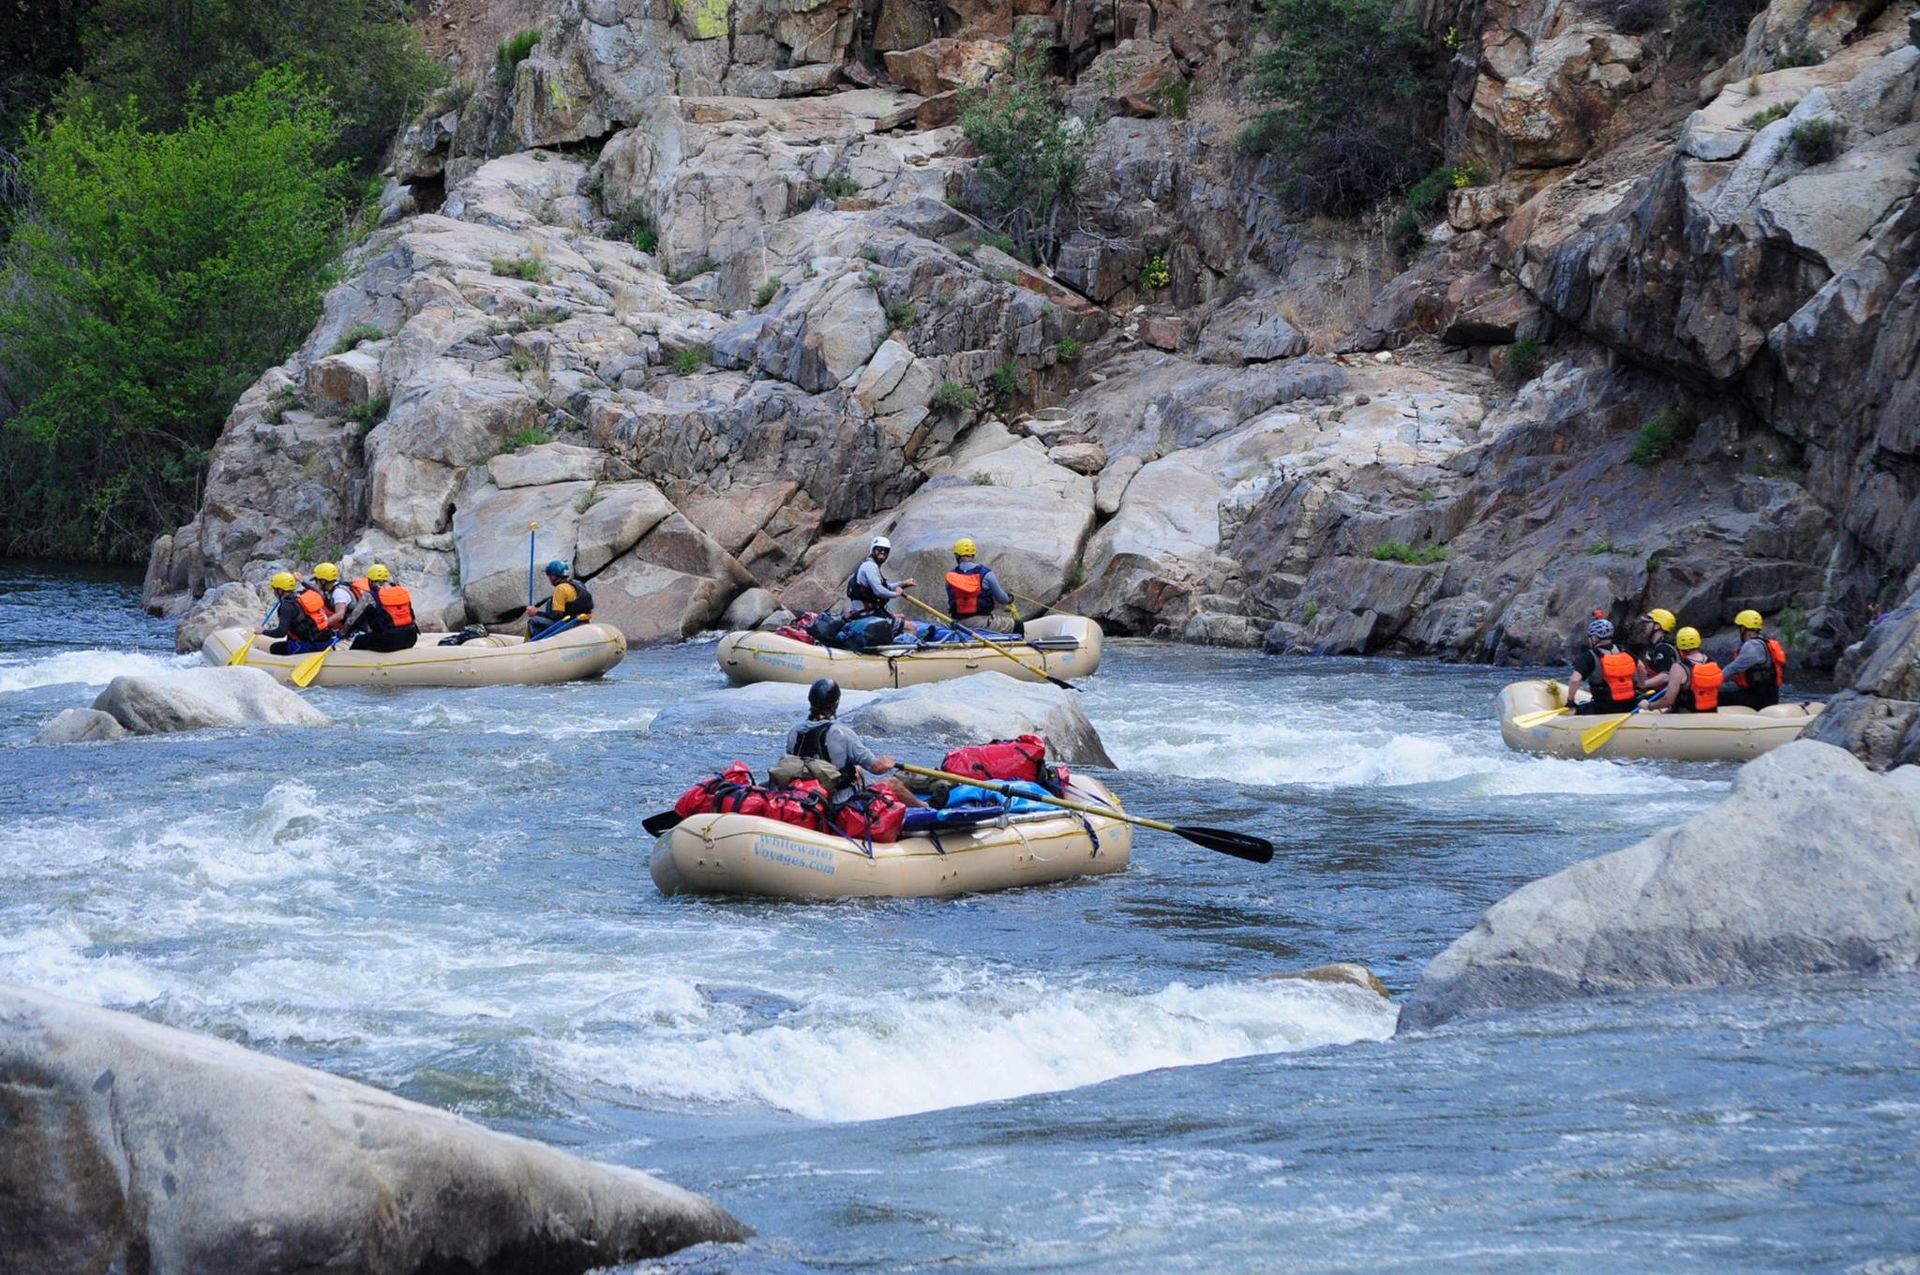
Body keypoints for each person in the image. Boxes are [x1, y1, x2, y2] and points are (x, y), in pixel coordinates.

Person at [785, 678, 923, 806]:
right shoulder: (842, 734)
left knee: (856, 770)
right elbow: (876, 768)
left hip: (808, 799)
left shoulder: (794, 732)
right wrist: (887, 763)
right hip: (840, 804)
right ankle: (927, 808)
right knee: (893, 784)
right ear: (836, 703)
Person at [1564, 616, 1640, 715]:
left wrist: (1570, 701)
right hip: (1630, 706)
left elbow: (1575, 680)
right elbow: (1641, 668)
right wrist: (1641, 687)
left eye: (1590, 637)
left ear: (1595, 638)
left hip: (1604, 709)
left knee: (1579, 709)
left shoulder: (1590, 656)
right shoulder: (1625, 651)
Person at [338, 564, 419, 652]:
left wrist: (342, 633)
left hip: (388, 641)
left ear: (370, 581)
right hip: (411, 637)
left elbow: (353, 620)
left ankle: (352, 663)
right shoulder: (400, 592)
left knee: (359, 640)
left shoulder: (370, 596)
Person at [1720, 608, 1787, 709]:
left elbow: (1734, 669)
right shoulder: (1764, 642)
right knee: (1730, 690)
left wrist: (1713, 680)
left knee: (1716, 696)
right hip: (1769, 696)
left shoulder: (1752, 646)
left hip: (1759, 700)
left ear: (1743, 628)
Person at [255, 570, 334, 655]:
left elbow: (281, 633)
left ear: (280, 590)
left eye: (275, 589)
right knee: (290, 637)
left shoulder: (286, 607)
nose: (274, 592)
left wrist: (263, 631)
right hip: (327, 641)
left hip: (311, 645)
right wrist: (302, 582)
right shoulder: (301, 595)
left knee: (275, 648)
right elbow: (317, 593)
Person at [944, 537, 1016, 629]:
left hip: (958, 623)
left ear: (957, 556)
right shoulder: (986, 574)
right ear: (973, 555)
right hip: (982, 622)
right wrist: (1009, 598)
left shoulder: (950, 576)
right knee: (1018, 625)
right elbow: (1002, 599)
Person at [846, 536, 915, 621]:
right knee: (912, 627)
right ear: (873, 550)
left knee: (901, 617)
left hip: (872, 612)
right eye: (879, 549)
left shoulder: (873, 566)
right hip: (865, 615)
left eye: (886, 550)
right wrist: (896, 594)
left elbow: (886, 587)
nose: (883, 552)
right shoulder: (869, 566)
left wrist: (904, 583)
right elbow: (879, 591)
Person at [1655, 626, 1722, 713]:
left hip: (1686, 716)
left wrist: (1649, 706)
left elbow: (1668, 700)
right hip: (1711, 711)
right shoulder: (1712, 663)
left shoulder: (1678, 668)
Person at [524, 560, 593, 640]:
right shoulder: (578, 584)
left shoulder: (560, 589)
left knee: (533, 621)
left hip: (569, 625)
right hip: (581, 621)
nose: (549, 578)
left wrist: (536, 612)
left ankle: (536, 646)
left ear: (553, 576)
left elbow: (556, 616)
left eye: (549, 575)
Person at [1638, 607, 1681, 694]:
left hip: (1663, 695)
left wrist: (1642, 684)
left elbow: (1666, 676)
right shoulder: (1658, 645)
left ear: (1657, 626)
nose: (1645, 626)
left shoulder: (1662, 649)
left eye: (1648, 623)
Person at [310, 562, 355, 631]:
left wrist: (321, 627)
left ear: (323, 581)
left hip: (353, 628)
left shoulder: (338, 593)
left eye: (317, 581)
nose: (317, 583)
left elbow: (340, 615)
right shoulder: (333, 588)